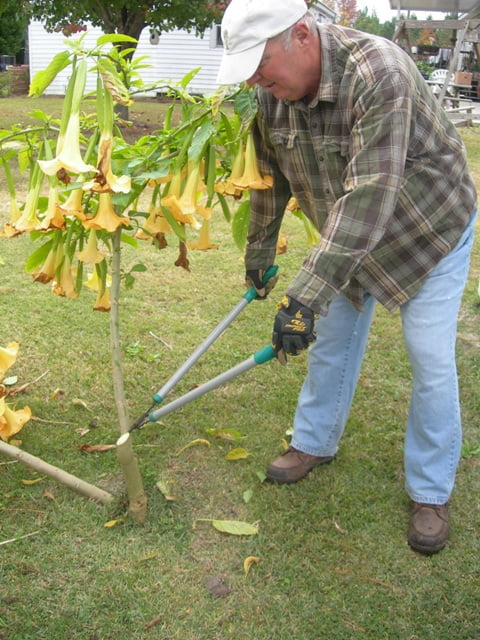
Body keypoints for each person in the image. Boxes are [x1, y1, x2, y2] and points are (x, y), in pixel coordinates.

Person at [216, 0, 477, 555]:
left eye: (261, 65)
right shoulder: (271, 94)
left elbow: (370, 194)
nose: (257, 81)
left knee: (427, 354)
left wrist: (305, 296)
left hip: (426, 230)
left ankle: (430, 490)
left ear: (303, 36)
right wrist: (259, 252)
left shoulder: (378, 71)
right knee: (331, 342)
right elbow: (268, 178)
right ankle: (314, 443)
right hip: (347, 238)